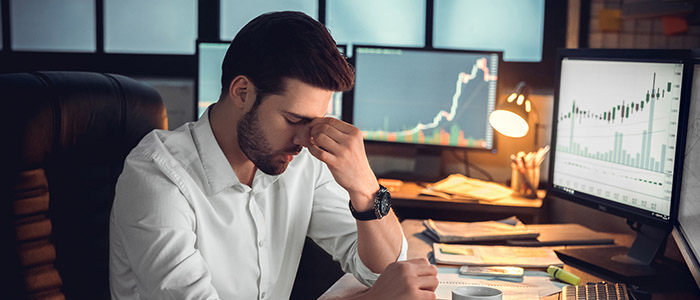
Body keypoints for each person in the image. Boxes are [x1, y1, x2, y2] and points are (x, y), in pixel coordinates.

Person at [109, 11, 438, 300]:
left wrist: (365, 188)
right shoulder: (156, 176)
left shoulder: (301, 161)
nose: (303, 139)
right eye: (294, 120)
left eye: (313, 122)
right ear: (242, 92)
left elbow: (385, 275)